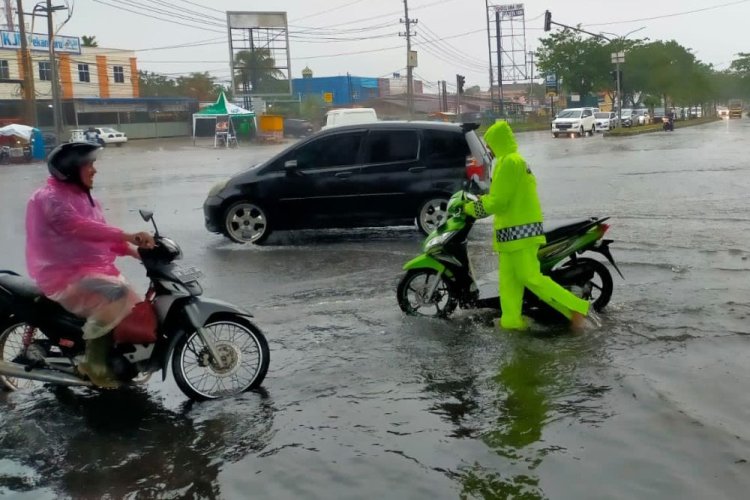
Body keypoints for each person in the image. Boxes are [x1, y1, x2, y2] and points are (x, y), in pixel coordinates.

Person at [25, 142, 155, 387]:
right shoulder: (50, 198)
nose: (94, 170)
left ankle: (114, 355)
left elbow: (103, 237)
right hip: (62, 273)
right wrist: (129, 236)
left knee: (130, 300)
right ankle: (93, 362)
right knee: (116, 293)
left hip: (86, 269)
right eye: (89, 165)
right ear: (72, 170)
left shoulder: (85, 199)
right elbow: (80, 228)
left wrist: (141, 253)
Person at [463, 121, 590, 331]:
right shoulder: (511, 161)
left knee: (529, 277)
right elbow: (502, 197)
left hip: (519, 234)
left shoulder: (509, 162)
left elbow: (498, 202)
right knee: (509, 283)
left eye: (490, 144)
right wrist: (480, 201)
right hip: (511, 235)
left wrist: (471, 208)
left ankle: (577, 306)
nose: (488, 149)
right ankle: (511, 321)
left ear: (498, 142)